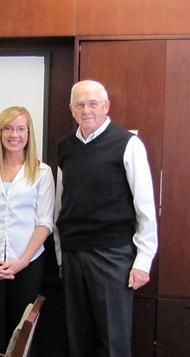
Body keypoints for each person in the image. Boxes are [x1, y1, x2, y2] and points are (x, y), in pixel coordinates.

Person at [54, 80, 158, 357]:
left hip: (113, 255)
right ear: (71, 110)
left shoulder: (127, 143)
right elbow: (62, 205)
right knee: (78, 339)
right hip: (74, 255)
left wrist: (143, 260)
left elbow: (145, 206)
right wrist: (61, 255)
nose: (86, 110)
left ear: (106, 106)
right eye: (80, 104)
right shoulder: (65, 147)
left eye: (93, 103)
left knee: (113, 342)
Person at [0, 106, 55, 353]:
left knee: (22, 333)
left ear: (29, 133)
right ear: (0, 132)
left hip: (27, 265)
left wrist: (23, 261)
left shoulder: (42, 172)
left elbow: (44, 222)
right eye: (8, 128)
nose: (14, 134)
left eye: (20, 128)